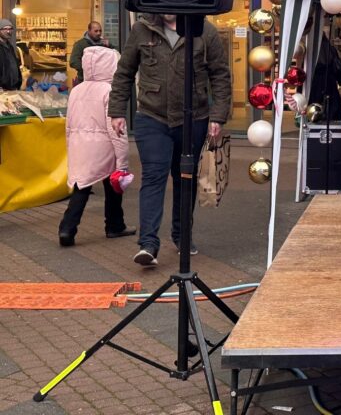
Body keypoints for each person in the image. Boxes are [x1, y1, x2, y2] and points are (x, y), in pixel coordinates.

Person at [108, 14, 231, 268]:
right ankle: (148, 244)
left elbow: (220, 75)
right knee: (154, 176)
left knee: (185, 179)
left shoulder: (204, 30)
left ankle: (182, 236)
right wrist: (117, 110)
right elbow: (124, 72)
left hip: (193, 118)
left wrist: (218, 115)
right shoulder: (142, 29)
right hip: (152, 117)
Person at [58, 46, 135, 246]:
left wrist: (70, 147)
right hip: (104, 147)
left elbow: (69, 124)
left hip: (80, 146)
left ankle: (67, 229)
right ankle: (114, 225)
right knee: (113, 186)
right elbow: (115, 129)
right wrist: (123, 162)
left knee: (81, 187)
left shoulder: (77, 90)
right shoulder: (110, 91)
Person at [0, 18, 22, 91]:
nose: (8, 31)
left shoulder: (10, 47)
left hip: (13, 87)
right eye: (5, 29)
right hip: (3, 88)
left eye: (10, 29)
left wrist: (19, 81)